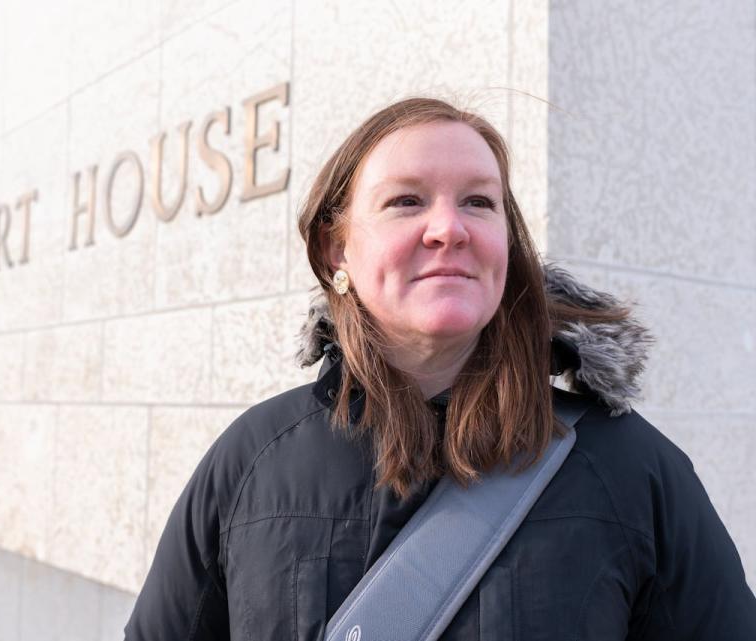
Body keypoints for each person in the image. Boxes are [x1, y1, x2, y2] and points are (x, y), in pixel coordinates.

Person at [124, 98, 756, 640]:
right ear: (335, 247)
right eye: (406, 201)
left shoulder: (629, 469)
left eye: (479, 202)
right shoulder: (252, 461)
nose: (448, 228)